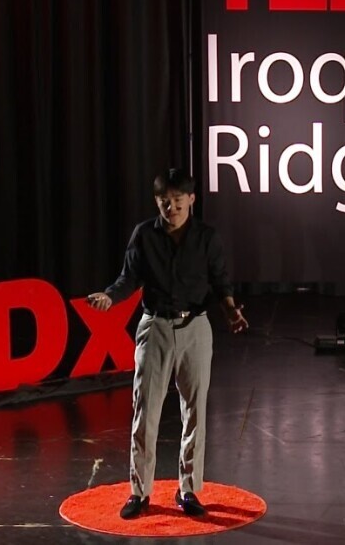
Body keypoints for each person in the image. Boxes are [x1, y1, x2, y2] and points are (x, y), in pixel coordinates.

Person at [88, 168, 248, 520]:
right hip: (155, 327)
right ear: (156, 201)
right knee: (145, 411)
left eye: (177, 201)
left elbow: (220, 281)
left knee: (195, 411)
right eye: (164, 201)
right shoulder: (144, 235)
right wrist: (109, 297)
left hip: (196, 327)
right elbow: (128, 278)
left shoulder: (206, 237)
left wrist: (231, 311)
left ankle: (188, 489)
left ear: (191, 200)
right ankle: (139, 492)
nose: (171, 208)